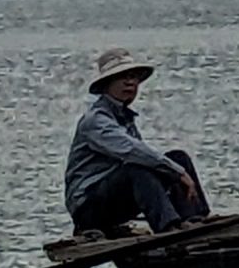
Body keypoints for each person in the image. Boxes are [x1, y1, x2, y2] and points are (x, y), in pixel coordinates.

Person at [65, 48, 211, 235]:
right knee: (139, 168)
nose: (130, 82)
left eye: (133, 77)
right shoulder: (95, 121)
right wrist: (177, 172)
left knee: (178, 158)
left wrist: (176, 169)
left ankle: (195, 218)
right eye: (122, 77)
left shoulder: (124, 117)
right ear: (107, 84)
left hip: (115, 197)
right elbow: (131, 150)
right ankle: (169, 228)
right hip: (88, 208)